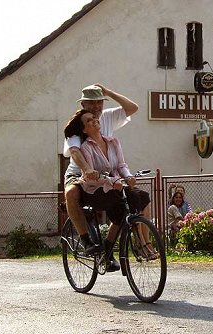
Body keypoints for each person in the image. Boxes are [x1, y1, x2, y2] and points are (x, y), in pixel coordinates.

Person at [64, 110, 154, 271]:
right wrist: (112, 180)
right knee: (117, 205)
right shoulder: (85, 146)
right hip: (95, 189)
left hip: (114, 184)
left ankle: (114, 248)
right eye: (89, 121)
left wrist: (128, 177)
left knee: (140, 197)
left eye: (94, 118)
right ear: (84, 129)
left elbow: (121, 166)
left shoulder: (113, 142)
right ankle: (88, 240)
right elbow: (90, 175)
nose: (94, 120)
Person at [63, 84, 138, 258]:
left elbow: (133, 108)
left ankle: (108, 247)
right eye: (91, 103)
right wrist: (86, 169)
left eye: (100, 102)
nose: (96, 107)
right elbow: (74, 151)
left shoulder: (108, 116)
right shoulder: (77, 124)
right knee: (71, 194)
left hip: (107, 174)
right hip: (79, 173)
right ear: (83, 105)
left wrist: (109, 92)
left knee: (125, 205)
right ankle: (86, 240)